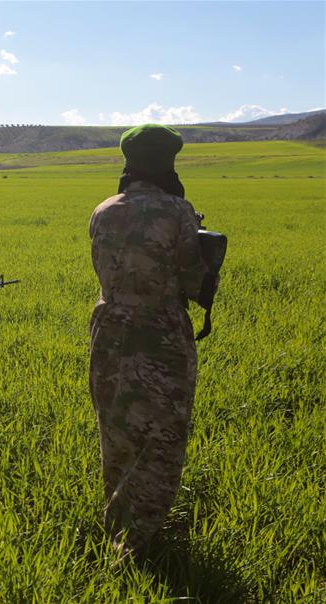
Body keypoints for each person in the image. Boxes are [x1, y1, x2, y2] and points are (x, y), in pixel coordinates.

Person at [88, 124, 214, 561]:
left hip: (108, 332)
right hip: (158, 333)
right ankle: (137, 548)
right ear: (168, 162)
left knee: (118, 431)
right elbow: (195, 283)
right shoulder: (177, 211)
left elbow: (105, 271)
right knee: (161, 437)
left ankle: (117, 525)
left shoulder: (103, 210)